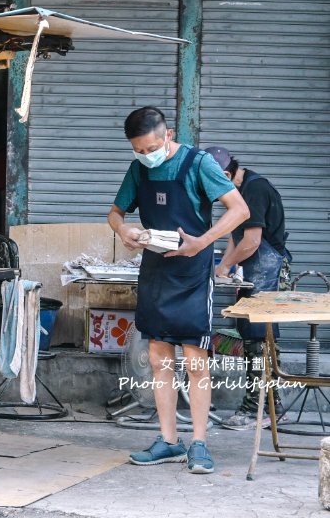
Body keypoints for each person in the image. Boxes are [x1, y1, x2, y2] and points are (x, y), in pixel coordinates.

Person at [108, 107, 249, 474]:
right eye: (138, 150)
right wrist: (124, 232)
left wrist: (202, 242)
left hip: (192, 272)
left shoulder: (198, 163)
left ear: (168, 134)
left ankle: (199, 443)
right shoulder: (140, 168)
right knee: (158, 359)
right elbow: (115, 212)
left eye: (151, 147)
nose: (146, 155)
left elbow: (239, 210)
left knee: (195, 361)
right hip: (155, 269)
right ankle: (169, 441)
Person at [205, 146, 291, 430]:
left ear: (226, 175)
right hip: (253, 270)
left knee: (259, 338)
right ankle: (272, 407)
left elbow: (252, 241)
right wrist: (226, 267)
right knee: (251, 336)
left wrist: (225, 265)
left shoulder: (255, 190)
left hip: (267, 270)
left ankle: (257, 408)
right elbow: (237, 235)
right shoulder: (240, 191)